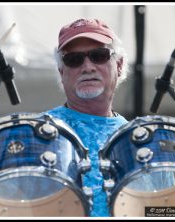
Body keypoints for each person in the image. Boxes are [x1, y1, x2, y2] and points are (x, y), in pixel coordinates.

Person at [43, 18, 129, 217]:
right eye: (74, 59)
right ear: (61, 70)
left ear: (119, 64)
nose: (87, 67)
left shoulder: (139, 139)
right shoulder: (37, 132)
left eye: (99, 55)